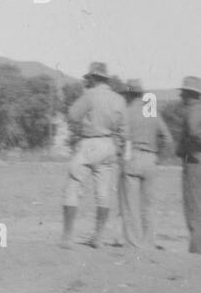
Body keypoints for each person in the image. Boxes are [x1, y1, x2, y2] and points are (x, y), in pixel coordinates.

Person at [62, 62, 125, 249]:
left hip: (89, 142)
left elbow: (72, 115)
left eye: (88, 78)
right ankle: (98, 237)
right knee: (103, 193)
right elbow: (124, 128)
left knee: (72, 188)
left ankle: (67, 237)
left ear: (93, 79)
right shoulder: (118, 99)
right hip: (109, 144)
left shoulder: (89, 95)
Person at [118, 79, 172, 250]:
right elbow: (168, 139)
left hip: (132, 157)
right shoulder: (151, 111)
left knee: (130, 205)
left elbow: (122, 139)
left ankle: (134, 244)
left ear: (128, 94)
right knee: (148, 206)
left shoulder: (126, 112)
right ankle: (148, 243)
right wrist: (160, 158)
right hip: (151, 160)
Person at [175, 76, 201, 254]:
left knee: (194, 210)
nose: (181, 96)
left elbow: (194, 131)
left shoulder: (193, 111)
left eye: (184, 93)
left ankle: (196, 251)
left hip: (193, 163)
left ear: (190, 94)